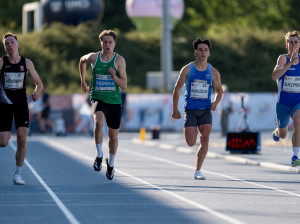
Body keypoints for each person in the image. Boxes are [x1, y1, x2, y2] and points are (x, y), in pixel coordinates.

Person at [79, 30, 127, 180]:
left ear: (114, 44)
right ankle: (99, 156)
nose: (107, 45)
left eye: (110, 42)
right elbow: (81, 60)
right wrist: (82, 81)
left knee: (113, 136)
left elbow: (124, 85)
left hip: (114, 101)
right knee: (98, 122)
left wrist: (114, 77)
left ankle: (111, 164)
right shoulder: (94, 57)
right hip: (98, 98)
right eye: (104, 42)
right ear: (101, 43)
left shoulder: (119, 60)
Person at [172, 38, 223, 180]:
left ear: (209, 53)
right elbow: (177, 89)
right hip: (191, 109)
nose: (203, 52)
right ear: (195, 52)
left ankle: (198, 170)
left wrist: (215, 103)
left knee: (205, 138)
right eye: (200, 50)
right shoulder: (188, 69)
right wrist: (175, 109)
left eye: (205, 50)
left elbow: (219, 90)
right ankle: (194, 146)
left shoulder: (213, 72)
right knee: (190, 142)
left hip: (205, 109)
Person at [0, 33, 43, 185]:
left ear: (17, 44)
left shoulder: (26, 63)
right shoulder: (1, 62)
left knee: (21, 138)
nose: (10, 45)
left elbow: (39, 82)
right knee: (3, 143)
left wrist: (36, 92)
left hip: (20, 105)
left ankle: (18, 174)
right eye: (6, 43)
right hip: (4, 105)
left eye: (12, 42)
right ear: (5, 47)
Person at [272, 30, 300, 167]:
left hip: (297, 102)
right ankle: (277, 131)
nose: (293, 44)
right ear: (286, 44)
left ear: (299, 44)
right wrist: (290, 64)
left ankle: (295, 155)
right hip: (283, 103)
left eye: (296, 42)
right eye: (291, 42)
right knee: (282, 134)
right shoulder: (283, 58)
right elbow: (274, 76)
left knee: (298, 121)